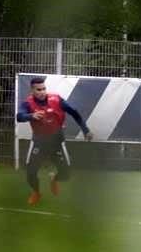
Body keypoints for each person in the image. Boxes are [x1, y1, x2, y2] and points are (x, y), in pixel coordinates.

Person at [15, 76, 93, 206]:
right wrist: (31, 116)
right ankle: (36, 192)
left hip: (57, 140)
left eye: (44, 88)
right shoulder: (27, 103)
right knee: (30, 172)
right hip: (39, 141)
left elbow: (74, 112)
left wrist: (86, 130)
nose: (42, 92)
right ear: (32, 90)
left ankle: (54, 179)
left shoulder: (56, 99)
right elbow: (19, 116)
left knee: (66, 174)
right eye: (38, 89)